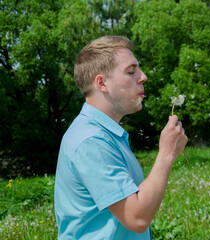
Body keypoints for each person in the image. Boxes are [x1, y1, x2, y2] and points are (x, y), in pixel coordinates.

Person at [54, 36, 188, 240]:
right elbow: (137, 218)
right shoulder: (92, 141)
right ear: (102, 83)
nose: (143, 77)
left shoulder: (105, 134)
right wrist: (167, 153)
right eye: (131, 71)